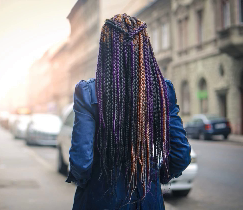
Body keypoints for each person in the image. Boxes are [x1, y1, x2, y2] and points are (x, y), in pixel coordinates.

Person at [66, 14, 191, 210]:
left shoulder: (88, 92)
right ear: (144, 48)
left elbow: (81, 161)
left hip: (99, 200)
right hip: (148, 200)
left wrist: (91, 184)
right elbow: (181, 155)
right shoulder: (162, 91)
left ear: (106, 50)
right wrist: (155, 177)